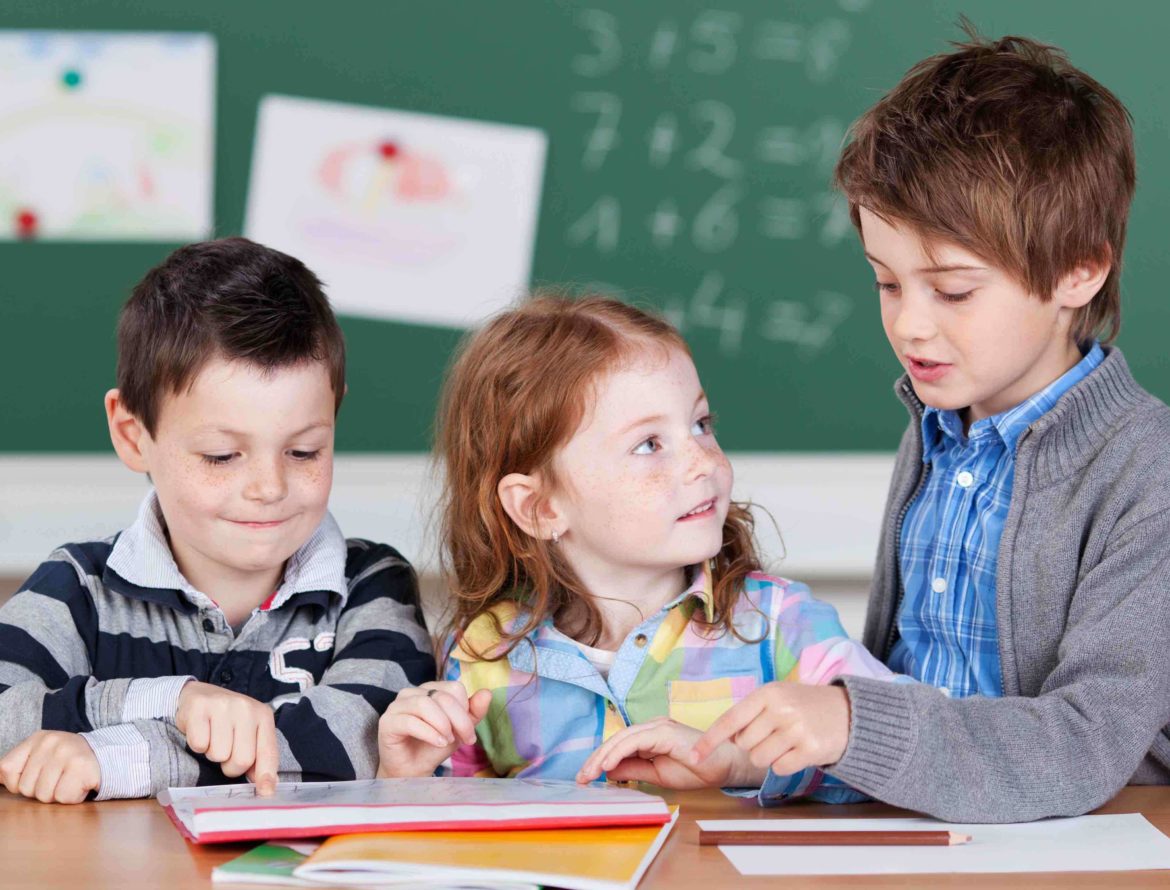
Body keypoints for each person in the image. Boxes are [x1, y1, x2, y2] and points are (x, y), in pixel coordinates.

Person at [693, 31, 1170, 823]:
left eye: (952, 290)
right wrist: (765, 753)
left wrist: (853, 722)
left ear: (1079, 270)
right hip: (924, 834)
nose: (910, 326)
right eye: (886, 283)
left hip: (1093, 845)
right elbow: (900, 693)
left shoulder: (1147, 473)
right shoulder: (938, 432)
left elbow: (1087, 741)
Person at [377, 294, 907, 802]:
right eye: (649, 444)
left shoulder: (784, 624)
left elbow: (907, 752)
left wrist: (744, 763)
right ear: (539, 508)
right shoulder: (482, 657)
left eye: (701, 425)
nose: (702, 461)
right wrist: (405, 776)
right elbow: (455, 827)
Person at [0, 237, 435, 803]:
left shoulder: (371, 584)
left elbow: (360, 739)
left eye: (303, 451)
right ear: (134, 436)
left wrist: (121, 755)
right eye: (221, 456)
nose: (268, 488)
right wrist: (171, 699)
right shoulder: (78, 588)